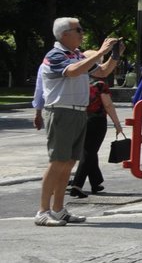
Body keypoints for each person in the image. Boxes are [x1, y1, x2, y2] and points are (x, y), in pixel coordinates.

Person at [35, 18, 120, 226]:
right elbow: (72, 71)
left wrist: (115, 54)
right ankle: (43, 211)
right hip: (61, 112)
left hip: (78, 112)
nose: (82, 33)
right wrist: (100, 52)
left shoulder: (77, 55)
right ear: (65, 34)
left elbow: (101, 72)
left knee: (69, 163)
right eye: (78, 30)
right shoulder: (55, 55)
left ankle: (59, 209)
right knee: (57, 162)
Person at [68, 69, 123, 199]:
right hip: (96, 120)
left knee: (89, 150)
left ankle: (95, 182)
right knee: (89, 152)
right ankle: (77, 185)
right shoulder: (99, 84)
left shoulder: (76, 82)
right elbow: (108, 105)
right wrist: (117, 123)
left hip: (79, 119)